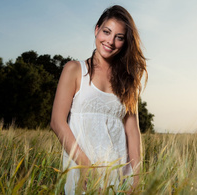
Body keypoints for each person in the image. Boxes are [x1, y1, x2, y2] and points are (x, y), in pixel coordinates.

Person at [50, 5, 147, 194]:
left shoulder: (129, 81)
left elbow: (133, 132)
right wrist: (86, 168)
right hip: (83, 169)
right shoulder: (74, 70)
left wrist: (136, 180)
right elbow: (57, 122)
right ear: (96, 30)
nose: (110, 41)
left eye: (119, 37)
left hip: (118, 172)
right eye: (106, 32)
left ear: (125, 42)